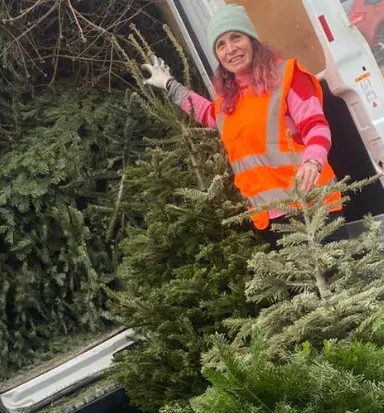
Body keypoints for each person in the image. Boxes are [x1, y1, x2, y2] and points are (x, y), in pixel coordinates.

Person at [140, 4, 348, 249]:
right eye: (221, 45)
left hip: (312, 205)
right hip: (270, 218)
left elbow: (316, 126)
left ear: (251, 40)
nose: (230, 49)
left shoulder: (287, 76)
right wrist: (170, 85)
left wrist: (313, 161)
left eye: (235, 37)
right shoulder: (228, 101)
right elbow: (207, 113)